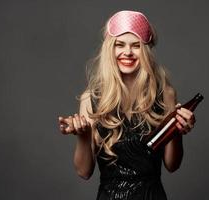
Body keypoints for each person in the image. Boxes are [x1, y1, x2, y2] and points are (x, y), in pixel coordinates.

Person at [58, 10, 196, 200]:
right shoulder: (90, 98)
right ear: (110, 49)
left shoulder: (165, 94)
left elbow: (172, 165)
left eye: (136, 46)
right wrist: (84, 135)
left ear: (145, 51)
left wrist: (177, 130)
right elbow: (84, 172)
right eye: (119, 45)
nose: (127, 52)